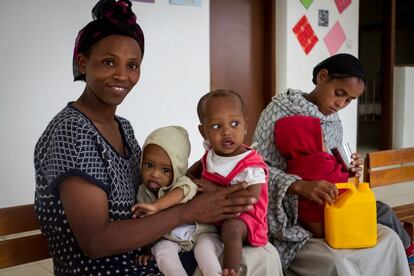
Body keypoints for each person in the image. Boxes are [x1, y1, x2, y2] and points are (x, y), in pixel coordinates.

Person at [33, 1, 257, 275]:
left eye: (133, 65)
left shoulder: (122, 128)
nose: (122, 75)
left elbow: (151, 188)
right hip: (106, 269)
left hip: (142, 257)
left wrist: (202, 178)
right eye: (108, 62)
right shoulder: (71, 132)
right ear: (83, 63)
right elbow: (96, 242)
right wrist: (188, 212)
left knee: (258, 254)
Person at [253, 53, 412, 275]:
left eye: (349, 100)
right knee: (340, 259)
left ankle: (408, 257)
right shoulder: (279, 111)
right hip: (292, 208)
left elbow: (329, 163)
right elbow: (256, 168)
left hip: (331, 200)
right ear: (322, 76)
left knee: (381, 213)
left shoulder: (333, 120)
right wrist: (300, 186)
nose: (341, 104)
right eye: (339, 94)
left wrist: (349, 166)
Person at [189, 90, 269, 276]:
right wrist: (188, 179)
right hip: (216, 215)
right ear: (204, 132)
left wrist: (213, 190)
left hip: (246, 218)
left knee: (231, 227)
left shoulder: (250, 164)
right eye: (216, 126)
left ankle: (230, 270)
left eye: (235, 124)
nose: (227, 131)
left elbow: (250, 197)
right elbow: (197, 167)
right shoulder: (211, 153)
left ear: (246, 126)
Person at [131, 125, 220, 276]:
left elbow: (183, 191)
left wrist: (156, 206)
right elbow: (144, 225)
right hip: (171, 239)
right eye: (149, 165)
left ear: (178, 169)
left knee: (206, 253)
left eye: (165, 170)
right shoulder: (143, 192)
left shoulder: (182, 182)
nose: (155, 174)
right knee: (162, 252)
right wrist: (146, 250)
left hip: (201, 234)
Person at [275, 115, 349, 238]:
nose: (326, 145)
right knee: (382, 211)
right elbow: (342, 182)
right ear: (308, 140)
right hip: (330, 224)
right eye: (323, 140)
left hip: (309, 225)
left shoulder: (292, 167)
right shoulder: (320, 160)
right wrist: (347, 168)